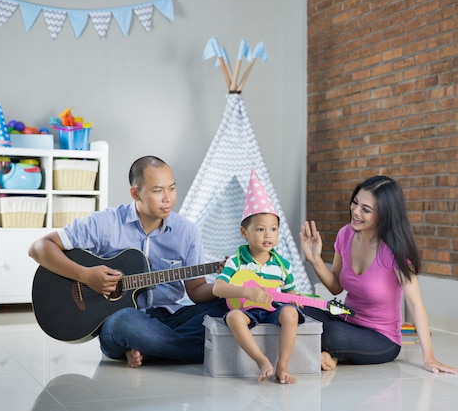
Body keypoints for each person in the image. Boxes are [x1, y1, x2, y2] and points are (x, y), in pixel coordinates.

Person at [28, 155, 229, 367]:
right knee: (123, 323)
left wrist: (223, 284)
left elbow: (196, 290)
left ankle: (152, 349)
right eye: (157, 190)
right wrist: (85, 275)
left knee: (229, 305)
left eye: (171, 188)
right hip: (124, 321)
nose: (167, 198)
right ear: (135, 193)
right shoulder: (105, 222)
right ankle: (192, 350)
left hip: (171, 317)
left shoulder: (188, 232)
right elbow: (39, 248)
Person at [299, 175, 458, 375]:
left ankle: (332, 352)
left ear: (384, 215)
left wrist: (429, 357)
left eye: (365, 210)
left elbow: (415, 304)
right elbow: (336, 286)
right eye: (355, 203)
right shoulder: (345, 234)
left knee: (332, 334)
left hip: (381, 339)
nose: (356, 211)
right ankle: (332, 355)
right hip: (347, 321)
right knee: (299, 309)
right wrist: (315, 259)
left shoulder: (395, 251)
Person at [212, 170, 304, 384]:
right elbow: (218, 288)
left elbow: (289, 292)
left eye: (273, 229)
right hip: (247, 311)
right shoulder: (236, 261)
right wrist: (246, 291)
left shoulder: (282, 265)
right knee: (233, 317)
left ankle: (282, 366)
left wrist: (293, 298)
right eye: (260, 229)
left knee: (291, 313)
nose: (268, 235)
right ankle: (261, 360)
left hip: (274, 310)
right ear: (244, 233)